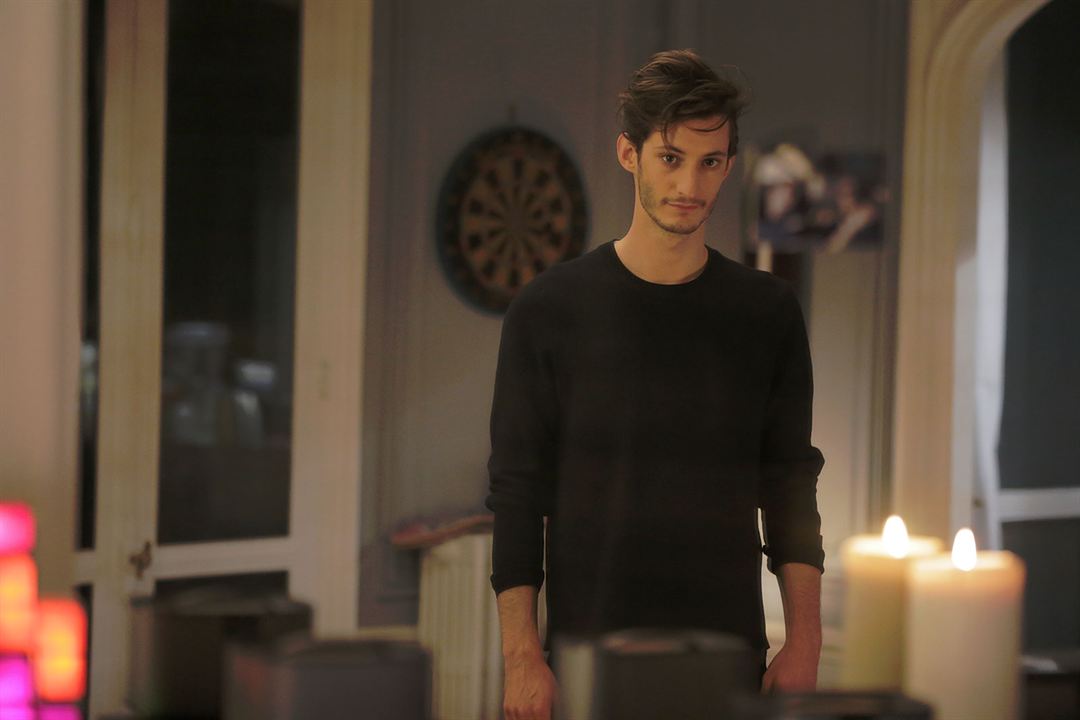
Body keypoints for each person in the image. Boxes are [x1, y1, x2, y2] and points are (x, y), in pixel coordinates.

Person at [486, 49, 825, 720]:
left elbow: (789, 480)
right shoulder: (548, 310)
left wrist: (806, 642)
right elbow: (517, 491)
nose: (690, 183)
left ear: (729, 165)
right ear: (629, 154)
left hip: (727, 653)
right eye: (671, 157)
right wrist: (522, 657)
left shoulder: (767, 313)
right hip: (590, 651)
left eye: (710, 161)